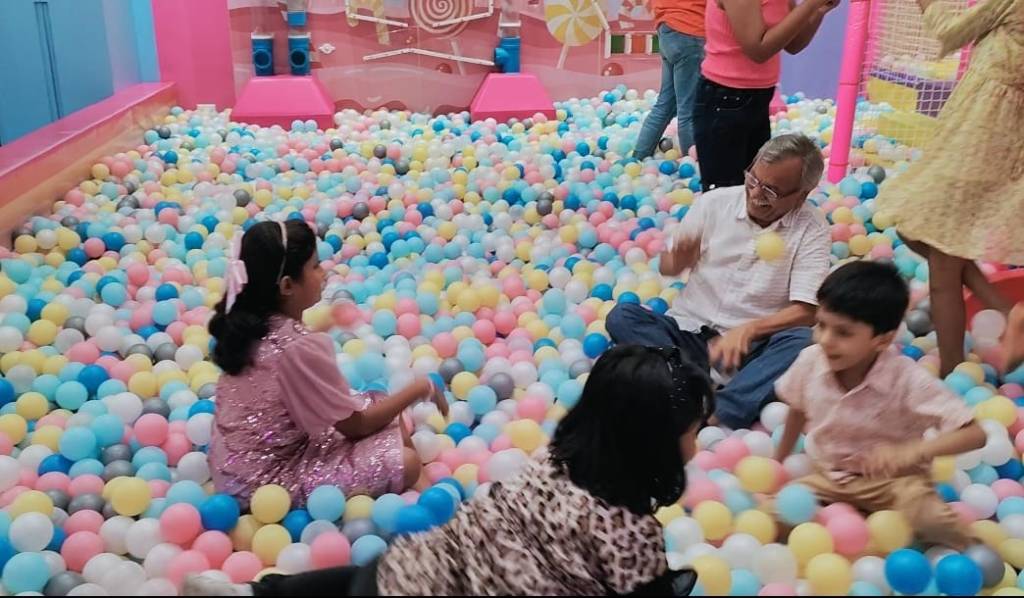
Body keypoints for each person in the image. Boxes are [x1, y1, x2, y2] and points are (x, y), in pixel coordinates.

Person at [185, 345, 713, 597]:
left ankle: (257, 595)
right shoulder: (631, 533)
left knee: (360, 582)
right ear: (654, 445)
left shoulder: (552, 464)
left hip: (400, 574)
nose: (697, 442)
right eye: (694, 430)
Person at [207, 220, 447, 504]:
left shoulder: (250, 323)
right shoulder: (299, 348)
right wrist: (420, 388)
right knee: (405, 460)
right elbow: (356, 426)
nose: (324, 273)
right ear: (287, 285)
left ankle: (424, 493)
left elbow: (281, 359)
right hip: (263, 486)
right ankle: (432, 501)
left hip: (231, 465)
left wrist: (327, 323)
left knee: (380, 405)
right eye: (315, 266)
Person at [606, 134, 830, 428]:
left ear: (802, 194)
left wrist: (750, 330)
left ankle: (717, 410)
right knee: (623, 316)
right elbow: (669, 266)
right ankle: (692, 383)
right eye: (753, 179)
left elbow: (808, 310)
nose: (756, 194)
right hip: (688, 335)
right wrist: (677, 260)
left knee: (804, 342)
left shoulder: (812, 229)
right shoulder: (714, 203)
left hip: (750, 351)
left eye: (772, 191)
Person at [773, 261, 986, 548]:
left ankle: (978, 552)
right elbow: (797, 410)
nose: (825, 340)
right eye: (821, 325)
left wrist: (912, 452)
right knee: (774, 514)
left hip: (895, 483)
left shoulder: (906, 379)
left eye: (843, 333)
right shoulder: (810, 361)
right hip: (832, 478)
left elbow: (975, 434)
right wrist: (779, 462)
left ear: (883, 340)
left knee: (930, 519)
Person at [873, 0, 1024, 376]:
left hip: (981, 131)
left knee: (941, 256)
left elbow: (950, 32)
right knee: (916, 230)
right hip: (1000, 129)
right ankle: (1005, 310)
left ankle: (952, 371)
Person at [694, 0, 838, 191]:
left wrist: (818, 11)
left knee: (755, 188)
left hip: (757, 98)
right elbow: (758, 50)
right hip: (724, 99)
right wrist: (811, 5)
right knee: (725, 193)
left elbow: (793, 43)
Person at [633, 0, 707, 159]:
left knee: (665, 103)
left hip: (667, 28)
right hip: (689, 28)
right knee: (688, 110)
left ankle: (638, 156)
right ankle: (691, 164)